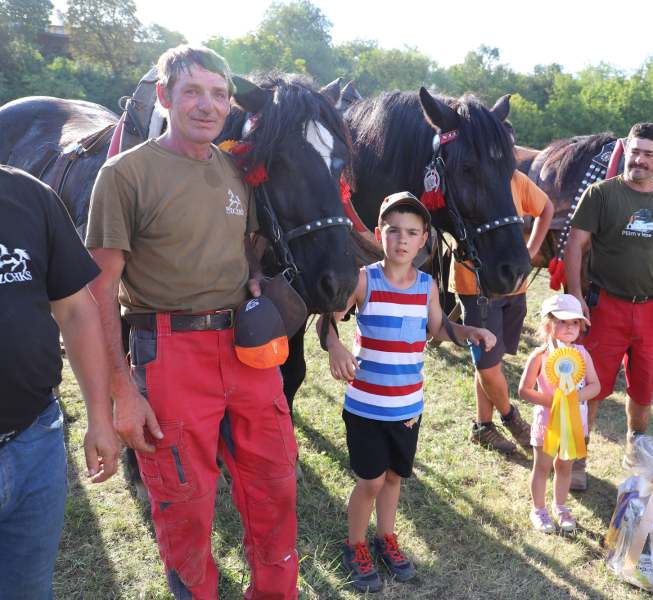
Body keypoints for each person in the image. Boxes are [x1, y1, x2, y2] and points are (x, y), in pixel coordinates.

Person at [85, 45, 299, 599]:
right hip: (170, 351)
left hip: (249, 349)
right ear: (164, 96)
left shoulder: (235, 172)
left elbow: (247, 245)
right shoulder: (125, 175)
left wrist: (257, 277)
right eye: (193, 92)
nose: (209, 105)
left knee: (275, 483)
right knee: (186, 500)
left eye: (219, 94)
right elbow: (99, 290)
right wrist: (122, 392)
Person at [322, 192, 496, 593]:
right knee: (370, 481)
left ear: (423, 241)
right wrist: (335, 346)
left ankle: (386, 537)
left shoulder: (426, 285)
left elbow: (440, 329)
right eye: (394, 230)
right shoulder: (363, 279)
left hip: (406, 406)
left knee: (394, 478)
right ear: (379, 233)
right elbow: (327, 321)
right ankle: (355, 545)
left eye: (412, 232)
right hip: (366, 406)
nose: (402, 239)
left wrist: (471, 331)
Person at [0, 165, 119, 599]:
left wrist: (99, 419)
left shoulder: (29, 196)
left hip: (34, 442)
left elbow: (75, 311)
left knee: (29, 590)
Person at [564, 122, 653, 474]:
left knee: (644, 388)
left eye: (649, 154)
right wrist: (575, 296)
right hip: (605, 307)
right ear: (626, 151)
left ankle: (635, 447)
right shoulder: (601, 194)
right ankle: (578, 457)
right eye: (635, 152)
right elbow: (575, 244)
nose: (640, 160)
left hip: (652, 312)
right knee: (592, 385)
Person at [455, 121, 554, 454]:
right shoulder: (470, 178)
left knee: (491, 362)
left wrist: (530, 251)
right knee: (487, 364)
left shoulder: (516, 180)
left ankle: (482, 427)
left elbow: (546, 208)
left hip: (515, 286)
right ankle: (512, 418)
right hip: (477, 286)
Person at [517, 294, 600, 533]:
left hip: (574, 422)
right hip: (547, 422)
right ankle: (538, 510)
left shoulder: (582, 354)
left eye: (574, 322)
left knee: (565, 466)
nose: (569, 327)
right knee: (542, 466)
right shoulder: (540, 355)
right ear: (547, 325)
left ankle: (560, 506)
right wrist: (554, 402)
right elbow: (524, 390)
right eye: (562, 321)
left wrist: (574, 399)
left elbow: (595, 385)